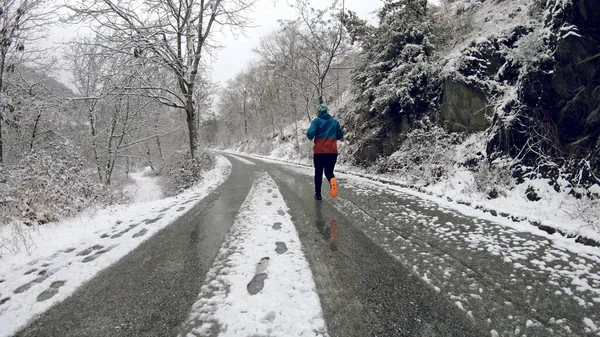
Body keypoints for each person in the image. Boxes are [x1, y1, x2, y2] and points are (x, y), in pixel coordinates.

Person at [307, 103, 343, 201]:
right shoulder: (334, 122)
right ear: (326, 110)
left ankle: (318, 195)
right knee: (329, 172)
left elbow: (310, 134)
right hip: (332, 151)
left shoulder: (316, 121)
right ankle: (332, 180)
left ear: (318, 111)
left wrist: (312, 135)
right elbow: (340, 134)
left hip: (319, 152)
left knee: (318, 173)